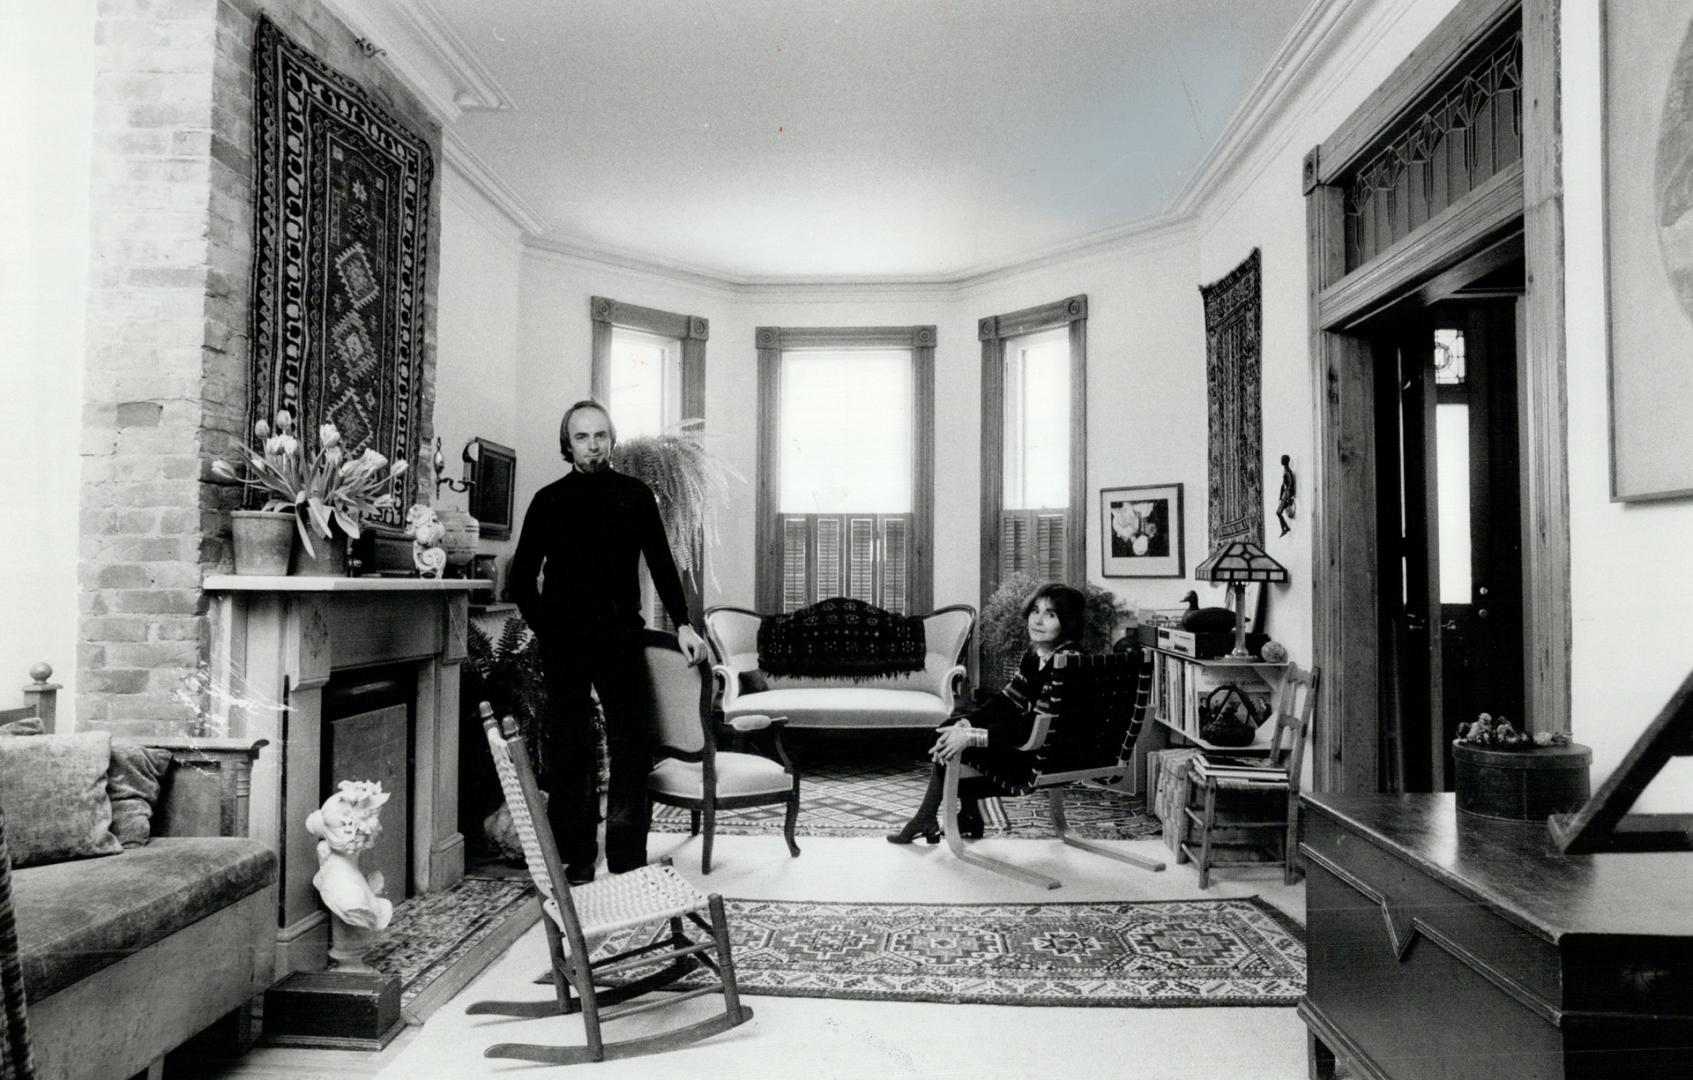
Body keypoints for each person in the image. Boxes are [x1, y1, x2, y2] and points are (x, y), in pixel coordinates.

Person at [510, 399, 706, 884]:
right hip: (566, 644)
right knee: (570, 751)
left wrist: (682, 623)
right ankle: (577, 858)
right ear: (568, 444)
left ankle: (625, 856)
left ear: (611, 439)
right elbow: (521, 579)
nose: (593, 444)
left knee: (630, 747)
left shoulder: (636, 495)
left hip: (621, 637)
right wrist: (548, 629)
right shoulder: (548, 500)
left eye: (600, 435)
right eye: (582, 436)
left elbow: (663, 563)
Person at [887, 582, 1086, 845]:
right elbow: (1007, 701)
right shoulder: (1038, 654)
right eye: (1035, 611)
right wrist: (967, 723)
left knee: (958, 745)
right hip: (1034, 741)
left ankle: (931, 817)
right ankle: (964, 816)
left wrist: (972, 736)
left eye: (1050, 614)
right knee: (949, 726)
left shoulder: (1067, 662)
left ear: (1067, 622)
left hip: (1044, 756)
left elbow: (1033, 726)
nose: (1037, 620)